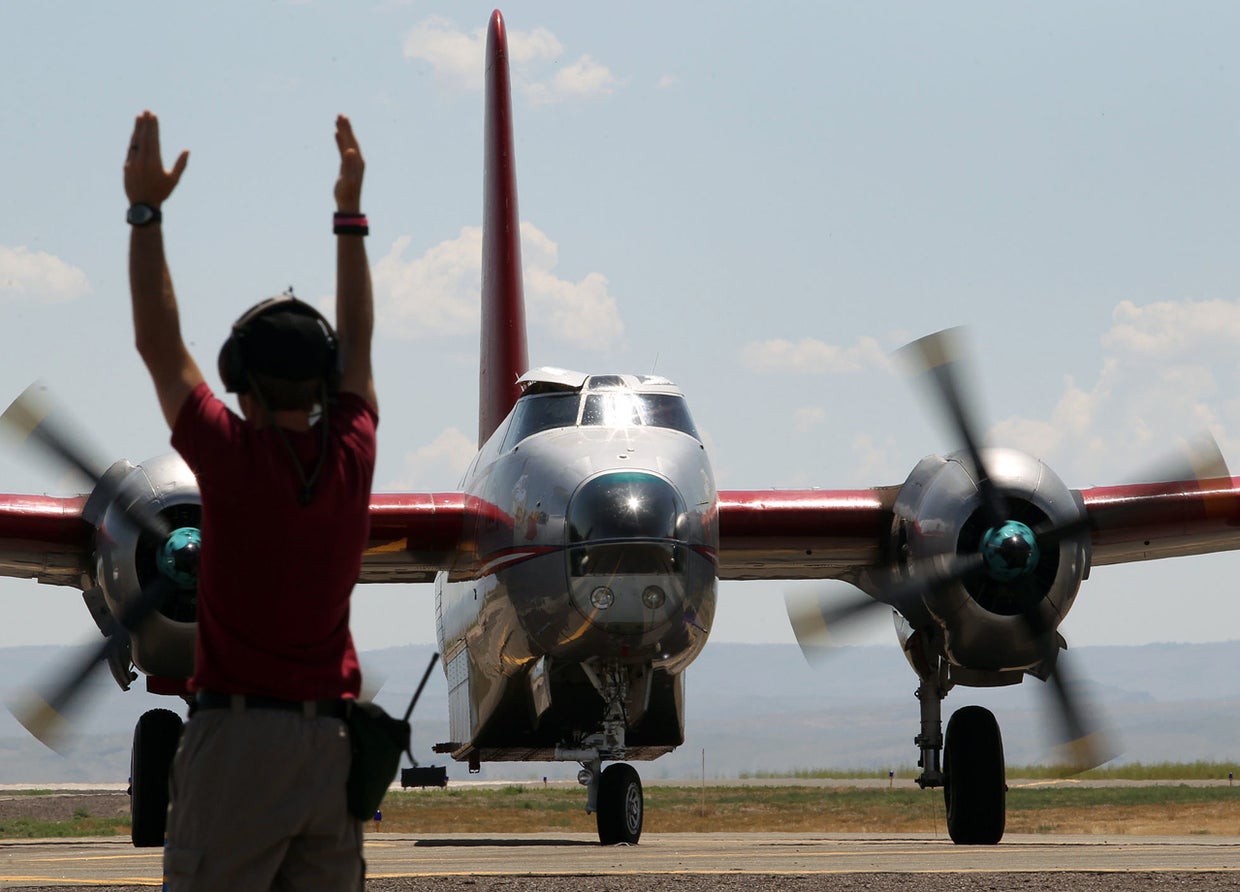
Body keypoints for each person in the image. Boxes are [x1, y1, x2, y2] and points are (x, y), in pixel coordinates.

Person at [125, 109, 377, 890]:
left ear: (239, 378)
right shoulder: (352, 454)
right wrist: (349, 215)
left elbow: (157, 343)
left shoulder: (228, 458)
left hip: (236, 746)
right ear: (324, 380)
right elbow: (361, 346)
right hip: (329, 752)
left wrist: (145, 212)